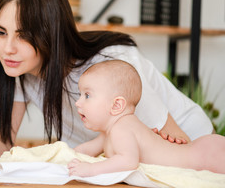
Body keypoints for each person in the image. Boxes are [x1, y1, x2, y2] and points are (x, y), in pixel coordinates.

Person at [0, 0, 213, 166]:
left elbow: (179, 142)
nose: (7, 49)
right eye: (1, 33)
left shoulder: (111, 63)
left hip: (188, 146)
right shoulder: (20, 71)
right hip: (111, 158)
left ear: (51, 35)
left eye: (23, 36)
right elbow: (1, 142)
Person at [68, 60, 225, 176]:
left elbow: (128, 161)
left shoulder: (121, 129)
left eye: (87, 95)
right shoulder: (109, 132)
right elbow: (85, 151)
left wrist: (90, 169)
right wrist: (64, 158)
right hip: (200, 151)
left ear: (116, 105)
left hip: (204, 157)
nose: (78, 102)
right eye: (80, 94)